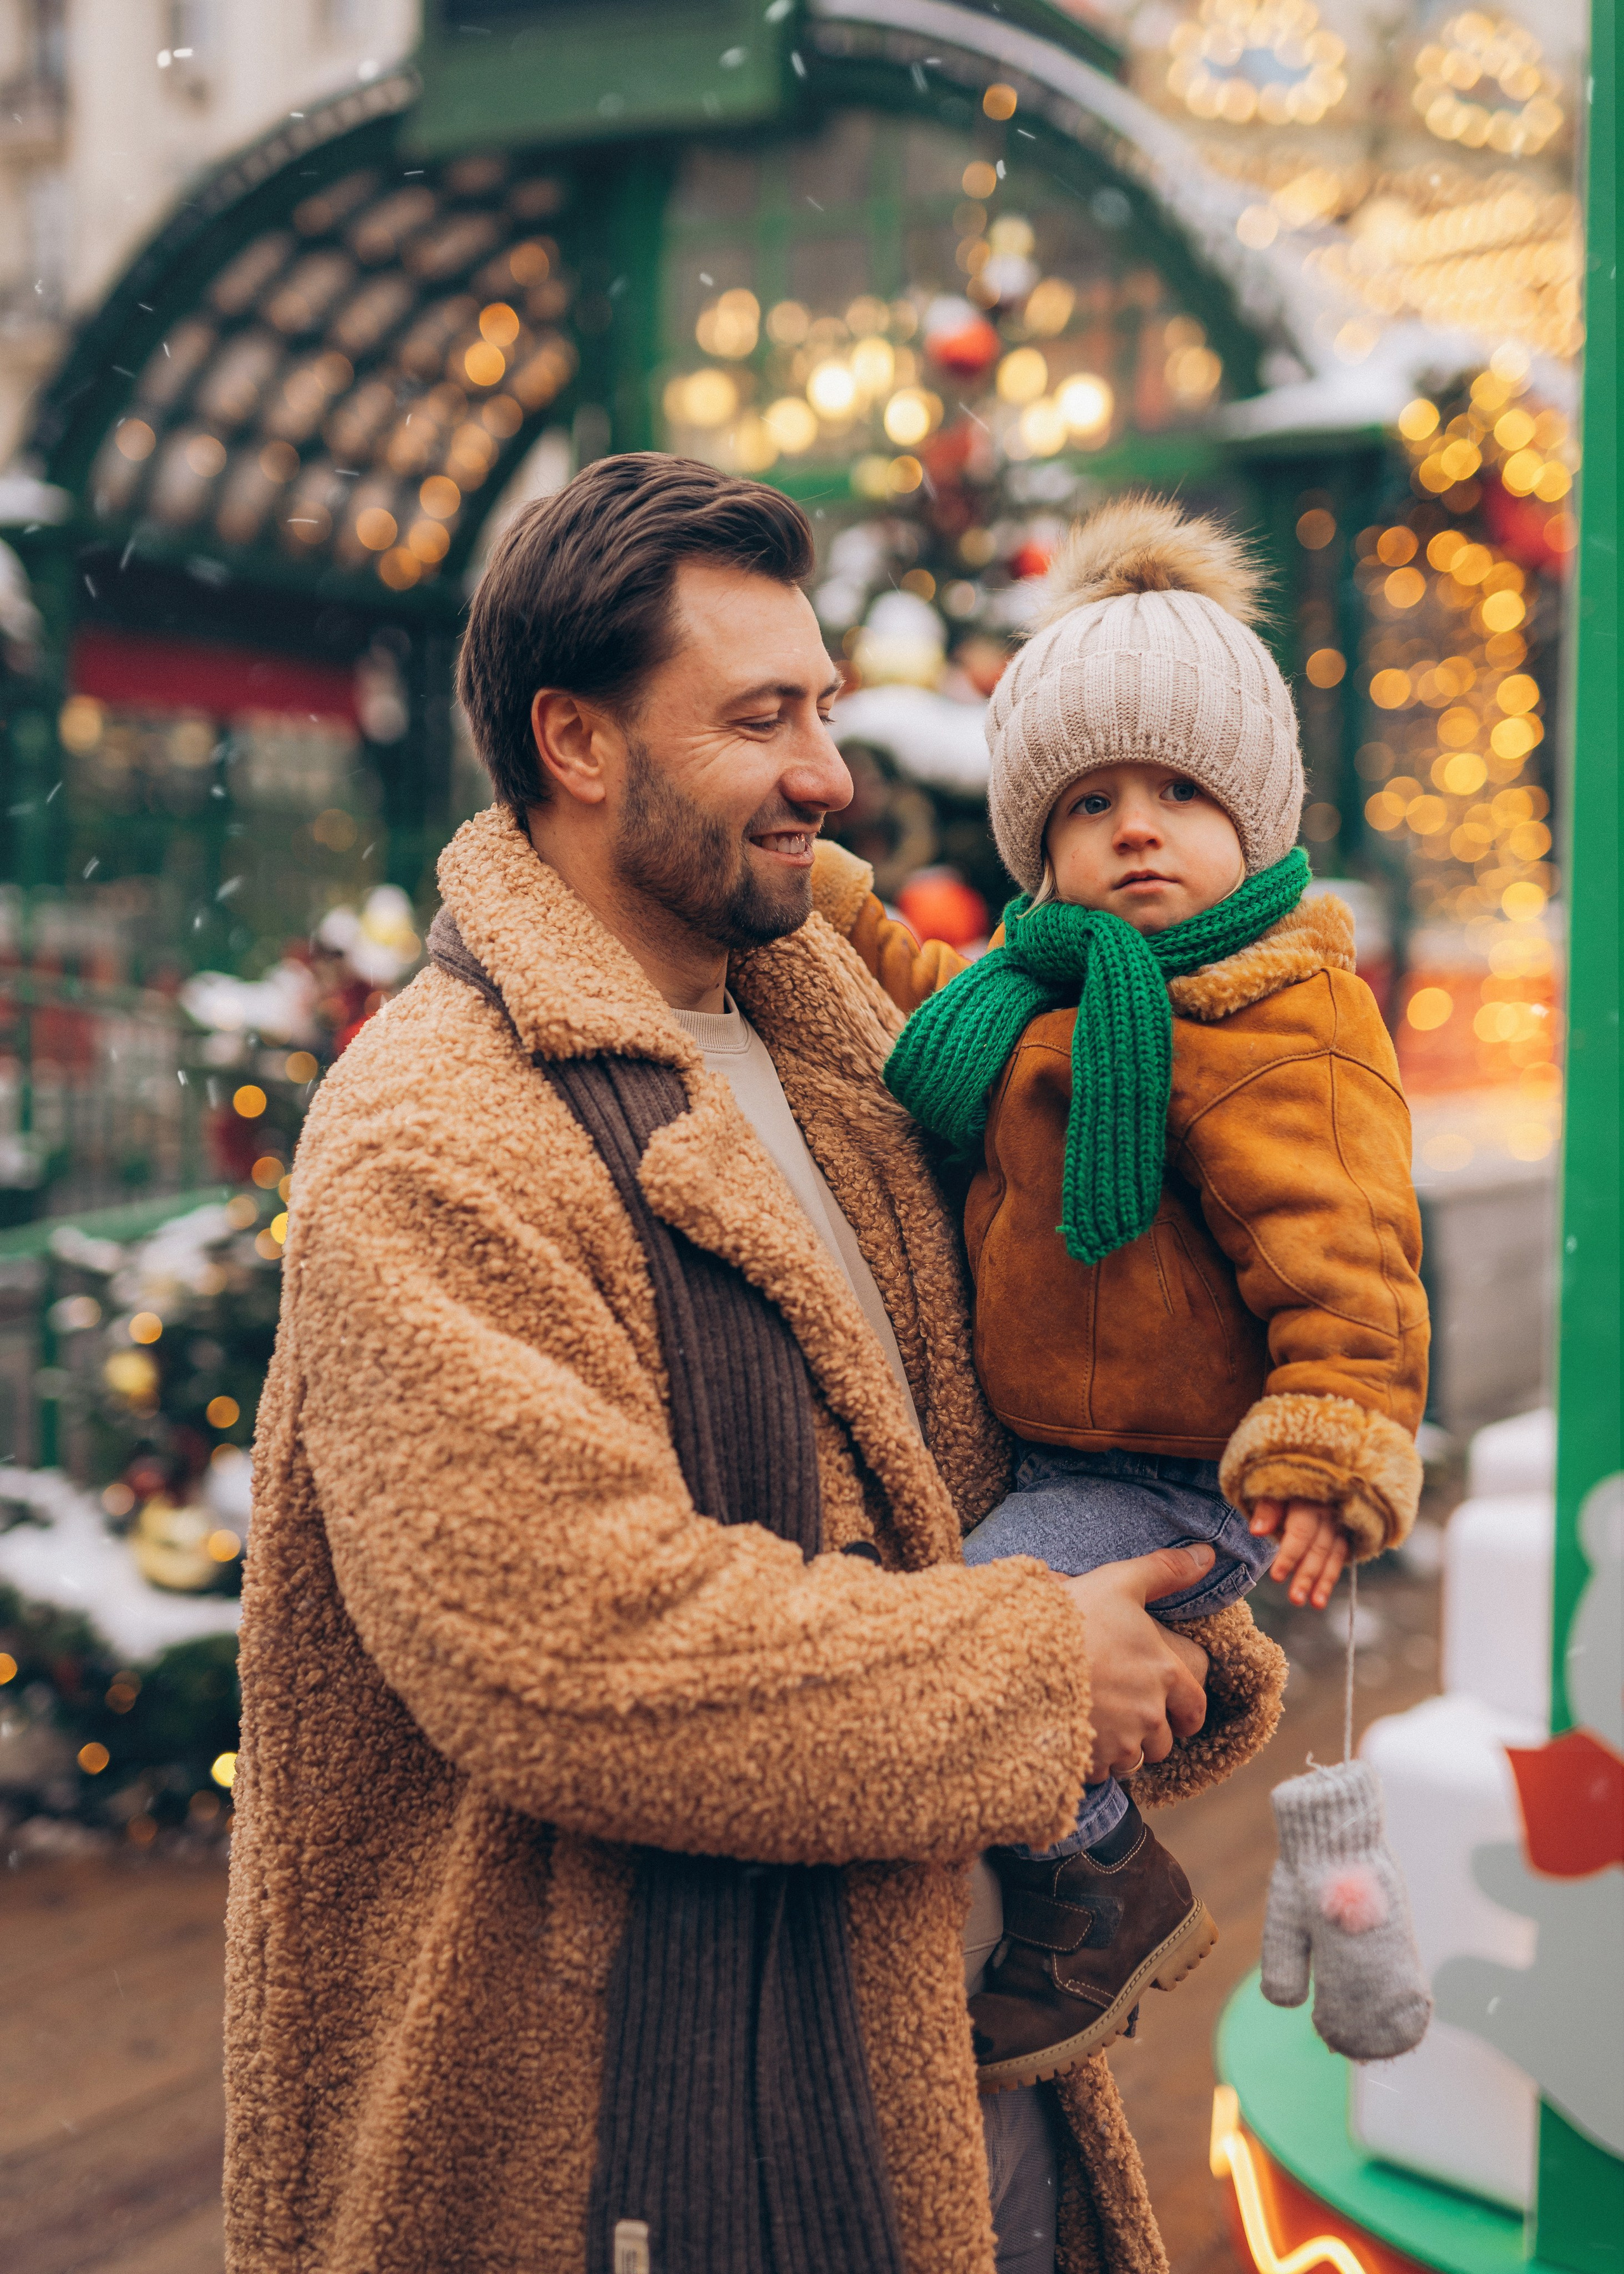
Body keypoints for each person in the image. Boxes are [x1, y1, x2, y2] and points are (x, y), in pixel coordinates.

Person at [223, 457, 1285, 2274]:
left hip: (960, 2065)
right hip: (639, 2137)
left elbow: (994, 1423)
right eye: (762, 718)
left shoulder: (850, 1049)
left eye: (827, 707)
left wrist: (1170, 1601)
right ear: (575, 742)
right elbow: (569, 1645)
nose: (829, 775)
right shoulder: (432, 1133)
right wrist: (1045, 1677)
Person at [884, 494, 1429, 2096]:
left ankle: (1098, 1877)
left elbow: (1349, 1255)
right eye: (1092, 800)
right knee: (979, 1605)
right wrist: (836, 917)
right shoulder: (1026, 994)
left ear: (1250, 824)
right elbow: (907, 995)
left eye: (1180, 793)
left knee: (982, 1640)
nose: (1136, 829)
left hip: (1173, 1474)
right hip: (1063, 1450)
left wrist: (1327, 1453)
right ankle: (1079, 1861)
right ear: (1034, 842)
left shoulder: (1279, 1025)